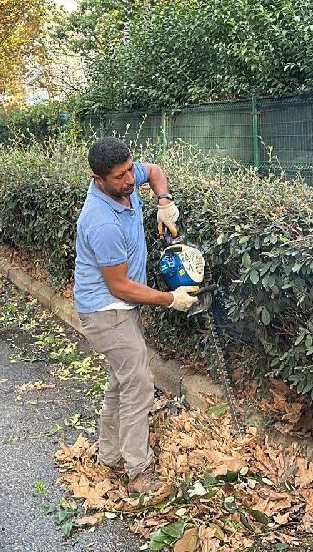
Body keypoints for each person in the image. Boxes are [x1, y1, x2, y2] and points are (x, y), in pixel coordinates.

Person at [73, 137, 197, 496]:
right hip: (106, 311)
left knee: (122, 382)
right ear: (98, 179)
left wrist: (164, 202)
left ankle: (110, 454)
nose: (130, 180)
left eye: (130, 170)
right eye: (120, 177)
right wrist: (170, 299)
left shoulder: (125, 179)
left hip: (118, 308)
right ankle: (138, 471)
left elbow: (154, 171)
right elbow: (120, 286)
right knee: (139, 386)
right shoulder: (101, 223)